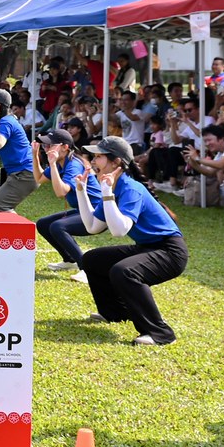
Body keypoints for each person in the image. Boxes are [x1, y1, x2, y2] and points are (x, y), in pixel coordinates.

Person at [72, 136, 187, 346]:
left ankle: (161, 334)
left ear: (116, 162)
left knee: (124, 271)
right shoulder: (113, 187)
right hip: (148, 247)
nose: (93, 161)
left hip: (170, 252)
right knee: (91, 259)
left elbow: (119, 230)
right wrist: (81, 191)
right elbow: (92, 227)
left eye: (99, 156)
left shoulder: (130, 188)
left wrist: (106, 193)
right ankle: (114, 313)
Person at [34, 131, 93, 274]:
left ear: (65, 147)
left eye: (50, 145)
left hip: (96, 212)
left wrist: (52, 164)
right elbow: (39, 178)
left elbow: (61, 192)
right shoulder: (61, 163)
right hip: (82, 210)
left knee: (57, 227)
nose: (46, 148)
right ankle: (70, 260)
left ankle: (87, 269)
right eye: (45, 145)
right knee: (43, 224)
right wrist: (35, 155)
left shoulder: (73, 165)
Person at [0, 87, 38, 213]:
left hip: (26, 173)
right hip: (17, 171)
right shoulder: (5, 120)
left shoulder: (6, 122)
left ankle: (23, 227)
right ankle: (2, 227)